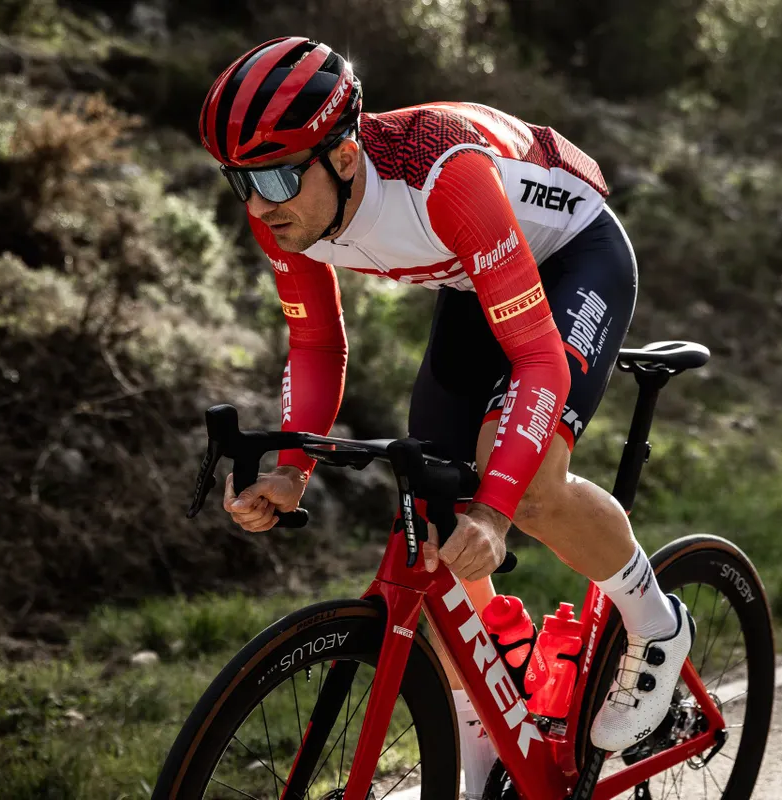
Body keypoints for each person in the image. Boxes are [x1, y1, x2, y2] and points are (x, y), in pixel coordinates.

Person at [201, 37, 695, 795]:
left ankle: (654, 620)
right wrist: (292, 471)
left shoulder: (441, 174)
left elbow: (540, 361)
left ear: (339, 153)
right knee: (427, 521)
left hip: (574, 256)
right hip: (471, 280)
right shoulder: (284, 210)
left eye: (272, 175)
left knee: (524, 482)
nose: (259, 204)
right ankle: (489, 746)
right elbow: (316, 341)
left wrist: (496, 514)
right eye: (240, 180)